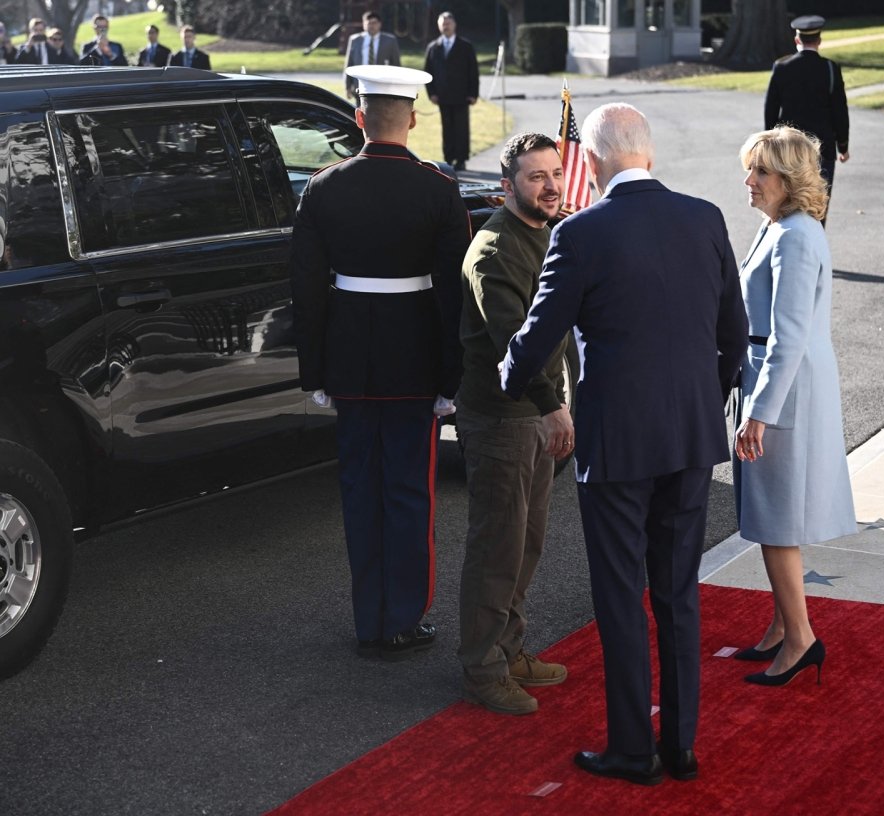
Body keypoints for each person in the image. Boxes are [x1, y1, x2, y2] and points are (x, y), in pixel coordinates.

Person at [501, 103, 748, 785]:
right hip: (692, 436)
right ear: (650, 154)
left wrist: (507, 376)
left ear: (598, 161)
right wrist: (704, 397)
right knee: (678, 595)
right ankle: (682, 746)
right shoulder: (706, 217)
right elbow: (735, 334)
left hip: (615, 445)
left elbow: (540, 333)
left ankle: (633, 750)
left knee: (620, 598)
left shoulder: (582, 233)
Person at [289, 64, 469, 662]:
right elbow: (453, 295)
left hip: (349, 363)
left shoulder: (323, 187)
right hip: (414, 360)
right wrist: (452, 378)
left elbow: (307, 290)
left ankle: (370, 620)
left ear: (359, 119)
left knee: (359, 491)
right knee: (409, 493)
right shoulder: (439, 189)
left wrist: (314, 373)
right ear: (412, 119)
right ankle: (403, 617)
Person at [732, 126, 856, 686]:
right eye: (749, 168)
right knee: (769, 513)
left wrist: (760, 413)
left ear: (788, 178)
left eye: (760, 171)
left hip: (785, 387)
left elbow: (788, 337)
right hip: (772, 377)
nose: (749, 180)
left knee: (778, 517)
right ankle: (784, 627)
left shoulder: (796, 237)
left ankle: (801, 639)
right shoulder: (778, 227)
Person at [457, 133, 572, 716]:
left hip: (535, 413)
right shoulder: (495, 250)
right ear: (507, 187)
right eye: (536, 177)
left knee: (527, 544)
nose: (551, 185)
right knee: (497, 547)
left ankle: (508, 648)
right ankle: (482, 669)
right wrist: (554, 404)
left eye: (555, 173)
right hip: (502, 418)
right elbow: (513, 345)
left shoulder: (547, 235)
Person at [763, 15, 849, 218]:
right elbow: (839, 110)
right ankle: (816, 246)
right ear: (819, 41)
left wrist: (769, 143)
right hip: (824, 147)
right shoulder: (830, 69)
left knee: (788, 201)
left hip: (789, 148)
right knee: (818, 204)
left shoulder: (782, 67)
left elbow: (771, 110)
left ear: (797, 40)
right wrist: (843, 146)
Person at [423, 12, 478, 171]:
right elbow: (428, 71)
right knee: (447, 129)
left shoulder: (465, 46)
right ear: (439, 26)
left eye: (448, 23)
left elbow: (473, 71)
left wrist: (473, 93)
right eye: (443, 23)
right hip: (442, 96)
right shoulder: (433, 47)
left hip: (462, 96)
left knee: (461, 128)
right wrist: (431, 93)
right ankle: (448, 158)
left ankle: (461, 159)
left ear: (454, 25)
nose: (446, 26)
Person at [344, 11, 401, 104]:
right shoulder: (355, 40)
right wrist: (347, 86)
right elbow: (349, 64)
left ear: (379, 24)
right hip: (360, 86)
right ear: (364, 24)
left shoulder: (390, 41)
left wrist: (396, 87)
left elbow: (396, 65)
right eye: (368, 23)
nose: (371, 26)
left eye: (374, 23)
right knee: (359, 115)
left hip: (381, 87)